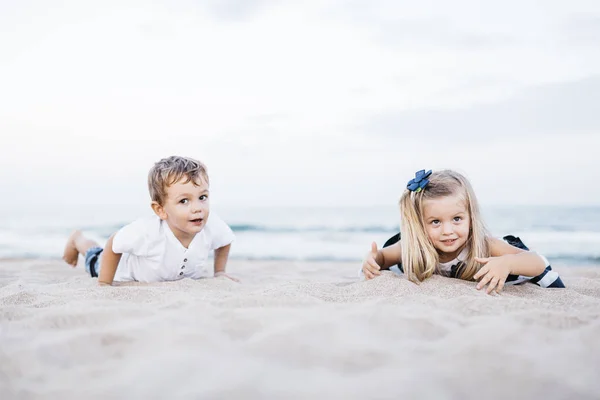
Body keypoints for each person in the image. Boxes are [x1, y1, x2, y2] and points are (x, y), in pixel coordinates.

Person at [361, 169, 564, 293]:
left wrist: (508, 263)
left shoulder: (486, 244)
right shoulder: (411, 246)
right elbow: (384, 258)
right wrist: (373, 259)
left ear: (470, 217)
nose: (447, 231)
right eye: (435, 222)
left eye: (457, 219)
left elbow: (537, 262)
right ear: (420, 225)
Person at [62, 156, 237, 285]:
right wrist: (104, 284)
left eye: (203, 197)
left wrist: (220, 271)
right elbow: (114, 244)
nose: (198, 207)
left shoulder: (211, 225)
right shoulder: (147, 232)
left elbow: (224, 240)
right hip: (119, 270)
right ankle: (78, 239)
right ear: (160, 210)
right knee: (94, 256)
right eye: (184, 201)